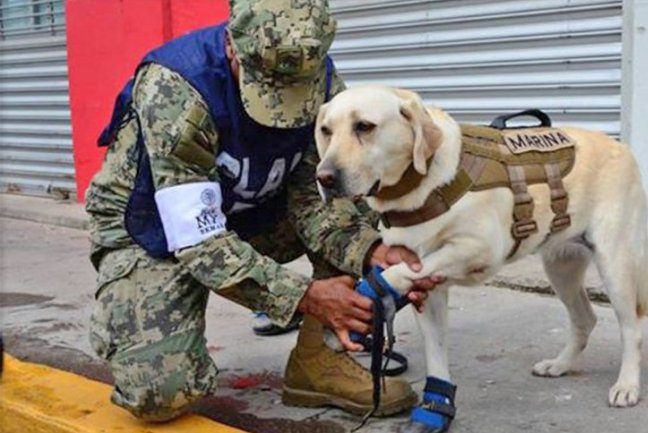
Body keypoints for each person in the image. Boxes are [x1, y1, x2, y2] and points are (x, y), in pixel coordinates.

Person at [85, 0, 437, 422]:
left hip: (251, 215)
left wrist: (372, 252)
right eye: (268, 86)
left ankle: (318, 361)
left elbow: (315, 195)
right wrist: (302, 296)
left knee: (352, 189)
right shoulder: (176, 88)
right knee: (160, 394)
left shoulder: (318, 74)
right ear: (233, 46)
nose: (285, 106)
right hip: (150, 231)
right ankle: (128, 312)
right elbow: (198, 237)